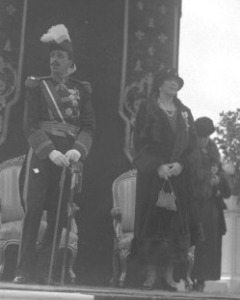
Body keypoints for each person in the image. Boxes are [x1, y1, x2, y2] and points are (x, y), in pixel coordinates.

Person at [13, 24, 96, 284]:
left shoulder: (81, 90)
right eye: (52, 58)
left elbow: (89, 126)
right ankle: (23, 270)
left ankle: (44, 268)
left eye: (60, 57)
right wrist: (49, 152)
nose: (54, 61)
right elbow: (30, 124)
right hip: (42, 156)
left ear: (71, 63)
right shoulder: (37, 87)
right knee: (35, 210)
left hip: (68, 158)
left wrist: (76, 150)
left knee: (60, 215)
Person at [131, 67, 198, 290]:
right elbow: (139, 143)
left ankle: (169, 276)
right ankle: (150, 274)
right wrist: (157, 166)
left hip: (178, 178)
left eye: (176, 81)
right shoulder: (147, 109)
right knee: (152, 224)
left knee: (173, 227)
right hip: (154, 177)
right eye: (169, 80)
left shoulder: (186, 112)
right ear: (159, 84)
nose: (173, 84)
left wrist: (181, 165)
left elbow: (193, 146)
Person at [191, 117, 231, 292]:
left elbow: (223, 178)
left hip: (212, 207)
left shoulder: (213, 152)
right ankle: (190, 277)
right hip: (195, 204)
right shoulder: (189, 151)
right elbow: (189, 174)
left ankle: (202, 280)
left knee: (210, 245)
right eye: (201, 136)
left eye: (207, 136)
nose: (205, 140)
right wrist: (207, 178)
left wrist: (218, 179)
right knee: (197, 243)